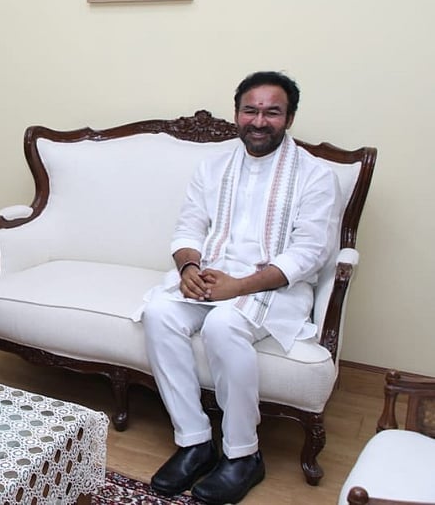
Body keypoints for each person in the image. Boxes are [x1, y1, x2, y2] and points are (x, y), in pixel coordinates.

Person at [141, 71, 342, 504]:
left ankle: (243, 454)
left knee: (223, 325)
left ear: (289, 118)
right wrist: (189, 267)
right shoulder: (213, 167)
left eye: (272, 112)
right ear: (236, 114)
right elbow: (188, 228)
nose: (259, 121)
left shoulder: (315, 175)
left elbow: (310, 253)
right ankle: (195, 441)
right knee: (158, 313)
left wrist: (238, 287)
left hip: (275, 288)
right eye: (250, 110)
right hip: (212, 278)